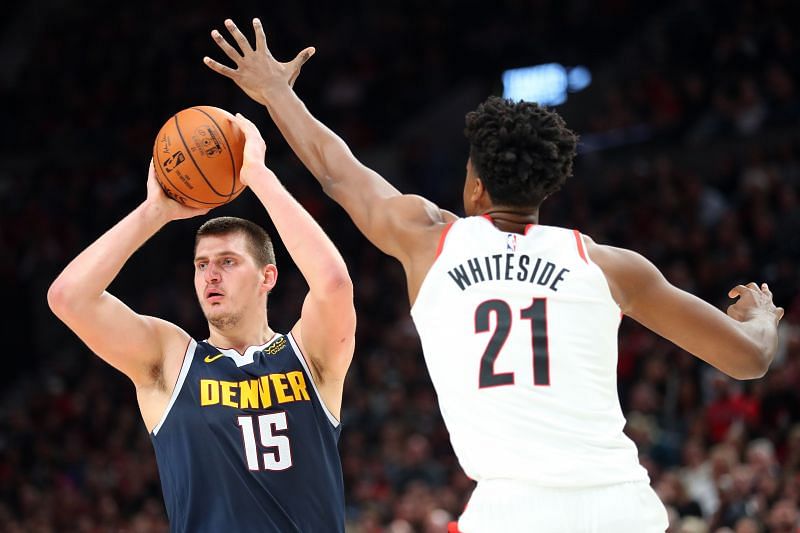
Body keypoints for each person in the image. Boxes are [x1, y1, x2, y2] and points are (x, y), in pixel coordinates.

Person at [204, 18, 784, 532]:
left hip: (509, 512)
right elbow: (749, 359)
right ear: (548, 187)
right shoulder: (610, 267)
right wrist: (761, 317)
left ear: (475, 185)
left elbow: (337, 172)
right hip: (620, 507)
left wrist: (276, 92)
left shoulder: (430, 242)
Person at [47, 114, 356, 532]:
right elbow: (69, 297)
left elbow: (334, 283)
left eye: (228, 262)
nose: (211, 274)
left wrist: (259, 176)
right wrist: (154, 212)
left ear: (267, 277)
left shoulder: (309, 355)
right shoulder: (171, 358)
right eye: (201, 265)